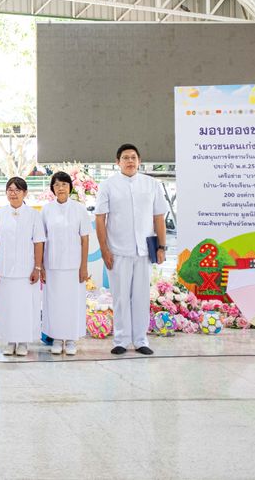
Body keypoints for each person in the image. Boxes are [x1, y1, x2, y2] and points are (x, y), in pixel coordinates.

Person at [95, 143, 168, 356]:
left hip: (144, 251)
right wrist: (104, 249)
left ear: (139, 161)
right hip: (117, 251)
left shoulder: (152, 184)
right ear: (117, 162)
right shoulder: (108, 185)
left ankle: (140, 339)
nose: (129, 161)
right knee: (120, 296)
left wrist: (162, 246)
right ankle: (121, 339)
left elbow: (158, 217)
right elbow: (100, 218)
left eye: (133, 157)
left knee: (141, 296)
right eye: (125, 157)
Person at [0, 177, 45, 357]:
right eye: (10, 190)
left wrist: (37, 268)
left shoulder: (34, 214)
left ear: (25, 193)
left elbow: (38, 243)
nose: (13, 193)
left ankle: (23, 342)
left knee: (25, 308)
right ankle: (10, 340)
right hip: (4, 270)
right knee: (7, 307)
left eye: (17, 190)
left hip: (27, 271)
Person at [41, 172, 90, 356]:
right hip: (52, 265)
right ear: (52, 188)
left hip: (73, 266)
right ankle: (56, 338)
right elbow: (41, 240)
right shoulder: (46, 210)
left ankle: (70, 339)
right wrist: (42, 267)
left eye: (63, 184)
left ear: (70, 187)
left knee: (72, 302)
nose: (60, 188)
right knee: (54, 303)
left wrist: (83, 266)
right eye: (56, 185)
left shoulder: (79, 209)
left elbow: (85, 240)